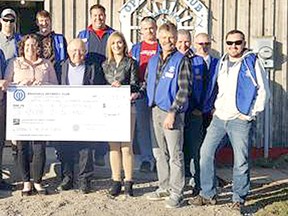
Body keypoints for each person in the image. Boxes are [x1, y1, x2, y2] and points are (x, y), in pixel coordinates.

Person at [189, 30, 270, 213]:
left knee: (240, 160)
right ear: (225, 44)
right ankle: (208, 194)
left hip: (240, 119)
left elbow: (264, 91)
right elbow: (215, 87)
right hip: (219, 118)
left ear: (244, 43)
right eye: (230, 42)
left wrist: (250, 114)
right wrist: (214, 108)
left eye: (238, 42)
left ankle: (238, 198)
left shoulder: (252, 61)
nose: (233, 46)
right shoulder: (223, 61)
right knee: (205, 154)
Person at [4, 34, 58, 195]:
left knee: (39, 148)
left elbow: (56, 86)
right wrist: (19, 84)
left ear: (39, 47)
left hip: (41, 113)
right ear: (22, 47)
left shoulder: (47, 64)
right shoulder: (14, 63)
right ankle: (26, 182)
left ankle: (38, 181)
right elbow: (6, 85)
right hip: (21, 113)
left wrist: (43, 85)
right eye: (27, 45)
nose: (30, 48)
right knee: (22, 147)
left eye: (34, 45)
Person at [145, 22, 191, 208]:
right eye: (164, 37)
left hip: (172, 112)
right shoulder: (154, 60)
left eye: (171, 37)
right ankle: (163, 186)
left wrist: (173, 112)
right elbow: (147, 84)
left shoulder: (181, 60)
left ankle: (177, 192)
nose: (167, 41)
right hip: (154, 110)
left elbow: (184, 90)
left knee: (175, 154)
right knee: (159, 153)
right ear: (158, 38)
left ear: (175, 38)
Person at [56, 39, 106, 194]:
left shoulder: (93, 67)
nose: (77, 54)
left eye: (81, 50)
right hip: (66, 112)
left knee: (86, 148)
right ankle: (67, 178)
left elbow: (100, 87)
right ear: (68, 52)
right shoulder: (60, 67)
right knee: (65, 147)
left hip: (86, 113)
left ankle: (85, 180)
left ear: (85, 52)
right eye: (74, 50)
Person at [102, 31, 139, 197]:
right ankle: (116, 180)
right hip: (110, 108)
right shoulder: (104, 65)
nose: (117, 46)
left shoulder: (131, 63)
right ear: (109, 46)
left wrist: (124, 87)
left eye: (120, 42)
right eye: (113, 43)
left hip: (127, 107)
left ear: (124, 44)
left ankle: (129, 181)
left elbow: (135, 84)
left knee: (126, 145)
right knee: (113, 146)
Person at [78, 4, 114, 166]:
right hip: (88, 83)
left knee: (104, 120)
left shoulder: (112, 34)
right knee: (88, 120)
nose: (98, 18)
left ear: (105, 16)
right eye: (95, 15)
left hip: (107, 82)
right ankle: (88, 154)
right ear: (90, 17)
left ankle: (100, 152)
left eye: (101, 15)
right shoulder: (83, 34)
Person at [176, 29, 207, 196]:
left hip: (193, 112)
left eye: (186, 41)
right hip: (175, 112)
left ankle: (197, 182)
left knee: (195, 149)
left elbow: (206, 88)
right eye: (180, 41)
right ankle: (176, 184)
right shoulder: (171, 60)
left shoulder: (199, 62)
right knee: (176, 150)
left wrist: (200, 108)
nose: (183, 45)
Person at [130, 16, 160, 172]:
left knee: (157, 127)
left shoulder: (161, 47)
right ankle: (146, 159)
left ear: (156, 29)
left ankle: (159, 159)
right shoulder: (136, 48)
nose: (149, 31)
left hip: (157, 92)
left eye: (151, 28)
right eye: (145, 28)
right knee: (142, 128)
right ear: (140, 31)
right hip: (141, 93)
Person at [0, 8, 21, 190]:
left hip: (16, 93)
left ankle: (20, 171)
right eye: (5, 20)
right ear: (1, 21)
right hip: (0, 90)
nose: (8, 23)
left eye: (11, 20)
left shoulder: (21, 41)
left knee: (13, 132)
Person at [193, 32, 219, 133]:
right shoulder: (189, 62)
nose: (204, 47)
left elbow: (221, 87)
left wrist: (215, 106)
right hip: (192, 111)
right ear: (195, 44)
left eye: (207, 44)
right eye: (201, 44)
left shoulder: (218, 63)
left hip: (211, 110)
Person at [35, 10, 67, 83]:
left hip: (57, 73)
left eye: (47, 20)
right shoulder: (33, 39)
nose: (44, 23)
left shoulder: (60, 39)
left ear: (50, 21)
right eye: (41, 21)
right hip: (40, 74)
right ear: (37, 23)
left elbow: (67, 58)